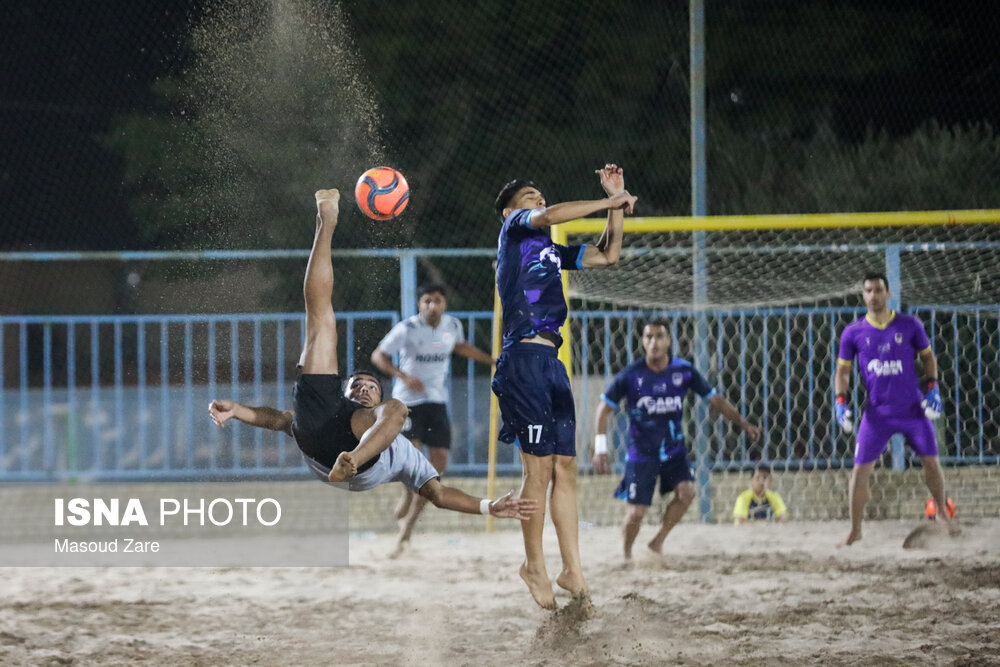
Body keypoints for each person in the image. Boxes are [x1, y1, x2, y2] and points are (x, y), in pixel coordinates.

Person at [208, 189, 536, 524]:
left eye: (370, 386)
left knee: (397, 411)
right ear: (345, 394)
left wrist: (488, 506)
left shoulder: (400, 444)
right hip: (323, 436)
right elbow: (277, 420)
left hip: (355, 457)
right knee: (321, 322)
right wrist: (237, 410)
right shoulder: (381, 369)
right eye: (357, 386)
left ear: (379, 395)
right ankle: (326, 222)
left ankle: (351, 458)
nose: (364, 388)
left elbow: (438, 494)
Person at [491, 164, 637, 610]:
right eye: (529, 194)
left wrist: (618, 202)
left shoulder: (551, 253)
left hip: (550, 364)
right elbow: (551, 215)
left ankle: (572, 569)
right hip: (522, 363)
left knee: (565, 469)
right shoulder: (515, 231)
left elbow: (607, 255)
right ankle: (533, 564)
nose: (537, 199)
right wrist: (605, 202)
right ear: (510, 212)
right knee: (537, 472)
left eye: (539, 193)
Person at [593, 320, 762, 561]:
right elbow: (603, 408)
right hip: (642, 453)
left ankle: (657, 542)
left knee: (687, 493)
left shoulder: (683, 371)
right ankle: (627, 555)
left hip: (673, 450)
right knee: (636, 513)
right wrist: (600, 447)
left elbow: (715, 400)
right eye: (649, 336)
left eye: (659, 336)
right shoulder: (632, 374)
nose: (654, 342)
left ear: (668, 340)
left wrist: (742, 423)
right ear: (643, 341)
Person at [371, 283, 495, 557]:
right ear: (420, 305)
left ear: (444, 304)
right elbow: (378, 355)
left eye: (437, 300)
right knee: (410, 459)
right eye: (427, 301)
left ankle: (408, 528)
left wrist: (492, 361)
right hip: (408, 403)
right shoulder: (407, 329)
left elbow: (462, 347)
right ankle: (405, 495)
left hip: (437, 401)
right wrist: (403, 376)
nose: (432, 306)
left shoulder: (452, 327)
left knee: (437, 470)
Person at [835, 271, 954, 546]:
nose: (873, 296)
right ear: (862, 295)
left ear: (888, 294)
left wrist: (933, 387)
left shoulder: (909, 324)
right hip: (877, 415)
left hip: (913, 411)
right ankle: (855, 530)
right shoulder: (853, 332)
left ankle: (941, 514)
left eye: (878, 290)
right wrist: (840, 403)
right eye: (868, 291)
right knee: (859, 473)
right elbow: (842, 372)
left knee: (932, 464)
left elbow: (928, 358)